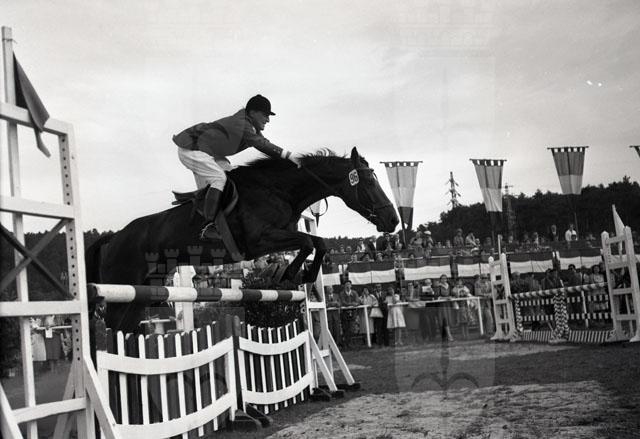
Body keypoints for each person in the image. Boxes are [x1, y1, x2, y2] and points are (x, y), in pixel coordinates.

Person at [173, 95, 301, 238]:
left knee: (233, 176)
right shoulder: (241, 124)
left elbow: (265, 143)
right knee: (220, 179)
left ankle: (207, 201)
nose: (268, 120)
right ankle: (208, 226)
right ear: (252, 113)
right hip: (191, 148)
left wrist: (286, 161)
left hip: (208, 151)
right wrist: (289, 156)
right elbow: (262, 145)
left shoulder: (250, 126)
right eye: (265, 115)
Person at [339, 280, 360, 349]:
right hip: (344, 314)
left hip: (353, 313)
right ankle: (346, 344)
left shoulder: (354, 293)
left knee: (352, 329)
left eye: (349, 284)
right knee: (345, 329)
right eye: (346, 284)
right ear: (344, 286)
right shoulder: (342, 293)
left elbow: (357, 302)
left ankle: (350, 343)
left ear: (351, 285)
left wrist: (354, 304)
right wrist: (351, 304)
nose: (348, 285)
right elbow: (343, 302)